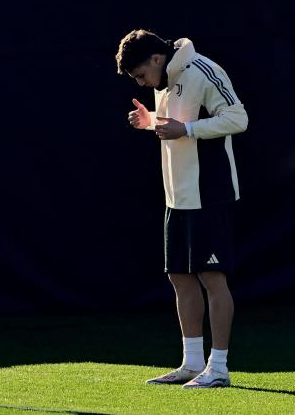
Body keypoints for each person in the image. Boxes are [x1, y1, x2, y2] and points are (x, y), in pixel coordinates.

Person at [115, 29, 248, 388]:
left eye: (142, 75)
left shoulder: (204, 71)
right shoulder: (166, 81)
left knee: (212, 277)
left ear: (157, 59)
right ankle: (191, 364)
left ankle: (218, 368)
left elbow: (238, 118)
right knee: (179, 277)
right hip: (177, 195)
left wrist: (185, 128)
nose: (143, 83)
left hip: (210, 193)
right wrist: (151, 124)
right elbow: (175, 128)